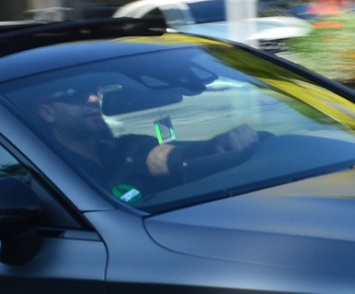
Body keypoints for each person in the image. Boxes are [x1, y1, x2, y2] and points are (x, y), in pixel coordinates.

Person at [27, 77, 259, 204]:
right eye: (74, 95)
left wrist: (218, 145)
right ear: (48, 113)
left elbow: (172, 157)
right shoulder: (48, 171)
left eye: (94, 91)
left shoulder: (129, 148)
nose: (92, 99)